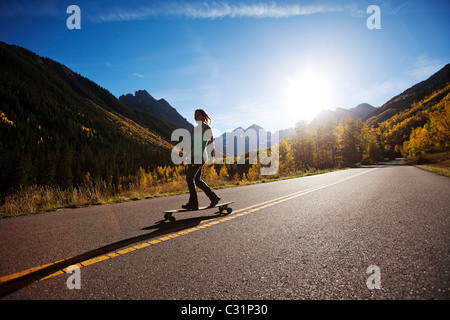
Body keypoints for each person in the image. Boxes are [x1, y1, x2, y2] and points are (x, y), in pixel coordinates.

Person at [182, 108, 220, 210]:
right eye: (195, 115)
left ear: (204, 117)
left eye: (198, 115)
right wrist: (186, 156)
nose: (196, 117)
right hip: (194, 156)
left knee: (190, 178)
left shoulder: (207, 129)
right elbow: (191, 145)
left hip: (201, 157)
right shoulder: (194, 129)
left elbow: (211, 144)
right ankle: (214, 198)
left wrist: (212, 159)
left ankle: (193, 203)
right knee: (197, 180)